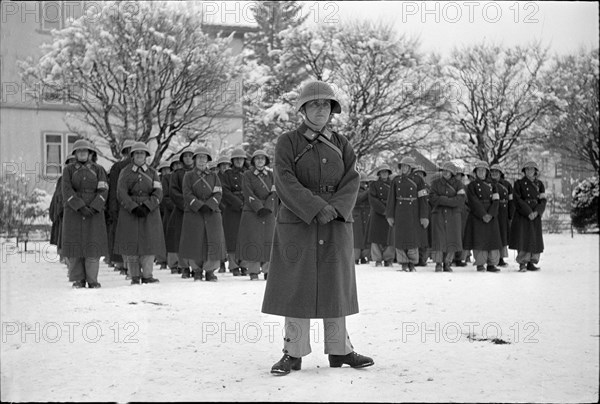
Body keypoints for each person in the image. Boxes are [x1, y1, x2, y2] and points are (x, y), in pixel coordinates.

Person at [262, 80, 374, 376]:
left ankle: (340, 350)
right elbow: (284, 179)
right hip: (298, 222)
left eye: (326, 104)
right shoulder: (288, 141)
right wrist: (315, 207)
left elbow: (352, 178)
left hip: (335, 222)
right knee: (296, 286)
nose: (321, 109)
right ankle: (293, 352)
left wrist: (335, 208)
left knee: (334, 285)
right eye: (315, 104)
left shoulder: (341, 143)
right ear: (303, 109)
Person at [114, 142, 164, 284]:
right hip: (130, 212)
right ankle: (134, 275)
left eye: (142, 153)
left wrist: (148, 206)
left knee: (149, 244)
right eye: (137, 153)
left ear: (146, 156)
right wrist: (133, 207)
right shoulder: (125, 172)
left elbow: (158, 192)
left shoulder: (153, 173)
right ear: (132, 156)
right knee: (131, 245)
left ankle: (148, 275)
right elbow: (121, 192)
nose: (140, 156)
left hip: (150, 212)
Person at [61, 139, 109, 288]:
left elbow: (104, 190)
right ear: (75, 154)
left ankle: (92, 279)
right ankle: (78, 279)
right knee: (75, 247)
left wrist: (95, 206)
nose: (82, 153)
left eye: (85, 151)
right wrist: (79, 206)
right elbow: (67, 190)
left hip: (94, 213)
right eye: (79, 151)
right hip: (74, 212)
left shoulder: (99, 170)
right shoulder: (68, 170)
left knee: (92, 247)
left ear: (90, 153)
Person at [178, 147, 226, 282]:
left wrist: (210, 205)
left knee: (213, 241)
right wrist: (198, 205)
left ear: (208, 160)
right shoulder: (188, 176)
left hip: (212, 212)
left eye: (204, 158)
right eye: (199, 158)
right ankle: (197, 270)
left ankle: (210, 270)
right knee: (195, 241)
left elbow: (218, 192)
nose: (201, 161)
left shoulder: (214, 176)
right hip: (194, 213)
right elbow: (187, 193)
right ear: (194, 160)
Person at [236, 150, 277, 280]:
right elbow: (248, 192)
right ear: (253, 161)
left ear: (266, 161)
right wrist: (259, 207)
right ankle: (253, 270)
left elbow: (275, 191)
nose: (260, 160)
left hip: (269, 211)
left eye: (262, 158)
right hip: (252, 211)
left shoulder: (271, 175)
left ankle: (267, 270)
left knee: (268, 240)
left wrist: (269, 206)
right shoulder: (247, 175)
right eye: (257, 158)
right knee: (253, 240)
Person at [386, 156, 430, 272]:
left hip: (413, 212)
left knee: (412, 239)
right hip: (399, 212)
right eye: (402, 166)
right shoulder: (396, 180)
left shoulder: (418, 180)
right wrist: (389, 215)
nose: (404, 168)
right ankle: (403, 263)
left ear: (411, 167)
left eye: (406, 166)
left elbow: (423, 199)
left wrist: (424, 216)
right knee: (400, 239)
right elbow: (391, 199)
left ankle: (412, 262)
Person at [462, 161, 502, 272]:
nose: (481, 172)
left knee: (492, 241)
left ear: (487, 172)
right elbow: (473, 201)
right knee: (479, 240)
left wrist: (491, 214)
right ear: (475, 172)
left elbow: (496, 200)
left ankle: (492, 263)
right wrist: (483, 214)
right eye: (478, 170)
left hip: (491, 216)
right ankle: (480, 263)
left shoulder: (493, 185)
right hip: (478, 216)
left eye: (483, 170)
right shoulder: (471, 186)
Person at [509, 161, 547, 272]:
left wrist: (537, 212)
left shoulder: (540, 184)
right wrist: (528, 211)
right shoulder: (518, 183)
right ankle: (522, 263)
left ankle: (532, 262)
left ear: (535, 171)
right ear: (524, 171)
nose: (529, 171)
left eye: (531, 169)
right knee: (523, 238)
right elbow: (517, 199)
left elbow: (543, 200)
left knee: (535, 239)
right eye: (527, 169)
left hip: (535, 215)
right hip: (523, 215)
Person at [429, 162, 466, 272]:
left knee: (452, 240)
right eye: (444, 170)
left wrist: (442, 199)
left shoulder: (459, 184)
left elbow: (460, 200)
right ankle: (438, 263)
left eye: (448, 171)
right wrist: (449, 200)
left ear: (452, 173)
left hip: (453, 216)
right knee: (439, 240)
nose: (445, 173)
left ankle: (447, 263)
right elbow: (432, 198)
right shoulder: (435, 183)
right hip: (438, 215)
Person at [165, 151, 195, 277]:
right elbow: (173, 192)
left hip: (197, 211)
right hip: (181, 210)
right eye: (185, 156)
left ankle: (196, 266)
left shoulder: (199, 173)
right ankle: (184, 267)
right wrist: (186, 204)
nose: (188, 159)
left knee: (196, 239)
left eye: (190, 156)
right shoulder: (177, 174)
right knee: (181, 240)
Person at [107, 139, 135, 275]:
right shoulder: (118, 167)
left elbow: (112, 190)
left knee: (122, 235)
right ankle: (125, 264)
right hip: (125, 206)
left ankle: (123, 264)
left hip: (123, 205)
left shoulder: (117, 167)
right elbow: (113, 189)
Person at [221, 148, 248, 276]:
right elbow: (225, 191)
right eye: (236, 159)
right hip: (232, 209)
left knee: (245, 237)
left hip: (248, 208)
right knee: (232, 238)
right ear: (232, 160)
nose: (239, 161)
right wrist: (238, 203)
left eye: (241, 159)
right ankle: (233, 265)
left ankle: (244, 265)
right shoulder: (227, 174)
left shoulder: (248, 173)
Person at [365, 165, 395, 267]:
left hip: (390, 213)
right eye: (382, 172)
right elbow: (372, 199)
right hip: (378, 213)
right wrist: (384, 210)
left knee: (390, 237)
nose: (384, 174)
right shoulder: (374, 185)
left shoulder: (393, 184)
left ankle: (388, 259)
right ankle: (377, 259)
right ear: (379, 174)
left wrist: (390, 210)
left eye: (386, 172)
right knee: (376, 237)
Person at [49, 155, 76, 265]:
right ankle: (64, 256)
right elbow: (58, 196)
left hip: (77, 211)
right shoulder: (63, 178)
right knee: (63, 235)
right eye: (70, 162)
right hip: (64, 212)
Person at [489, 164, 513, 267]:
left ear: (500, 173)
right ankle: (493, 258)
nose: (494, 173)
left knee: (503, 236)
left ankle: (501, 257)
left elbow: (511, 200)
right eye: (492, 172)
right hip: (493, 211)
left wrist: (511, 214)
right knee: (493, 235)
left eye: (496, 172)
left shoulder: (507, 185)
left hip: (503, 212)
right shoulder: (488, 184)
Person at [164, 155, 182, 274]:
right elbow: (165, 196)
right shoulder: (167, 178)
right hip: (171, 211)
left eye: (178, 164)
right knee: (172, 238)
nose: (177, 166)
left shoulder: (186, 175)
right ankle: (173, 264)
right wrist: (176, 204)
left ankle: (183, 264)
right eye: (175, 165)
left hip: (184, 209)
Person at [412, 165, 431, 267]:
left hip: (427, 214)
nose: (419, 176)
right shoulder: (410, 186)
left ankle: (423, 258)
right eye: (417, 174)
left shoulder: (427, 187)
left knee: (425, 238)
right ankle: (415, 258)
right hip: (414, 214)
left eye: (421, 174)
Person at [216, 155, 231, 273]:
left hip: (230, 210)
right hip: (219, 209)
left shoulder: (231, 176)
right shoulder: (216, 177)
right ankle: (221, 262)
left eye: (227, 165)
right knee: (220, 238)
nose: (225, 167)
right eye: (223, 165)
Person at [155, 160, 172, 270]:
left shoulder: (172, 179)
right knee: (159, 236)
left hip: (168, 211)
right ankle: (161, 259)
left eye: (167, 169)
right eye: (164, 169)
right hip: (158, 210)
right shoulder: (157, 180)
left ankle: (167, 259)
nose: (166, 171)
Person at [353, 172, 371, 265]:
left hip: (365, 216)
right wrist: (368, 191)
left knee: (365, 237)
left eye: (365, 183)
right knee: (357, 239)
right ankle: (356, 258)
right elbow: (358, 199)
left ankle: (365, 257)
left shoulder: (367, 191)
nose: (365, 184)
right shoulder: (354, 191)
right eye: (362, 182)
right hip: (357, 217)